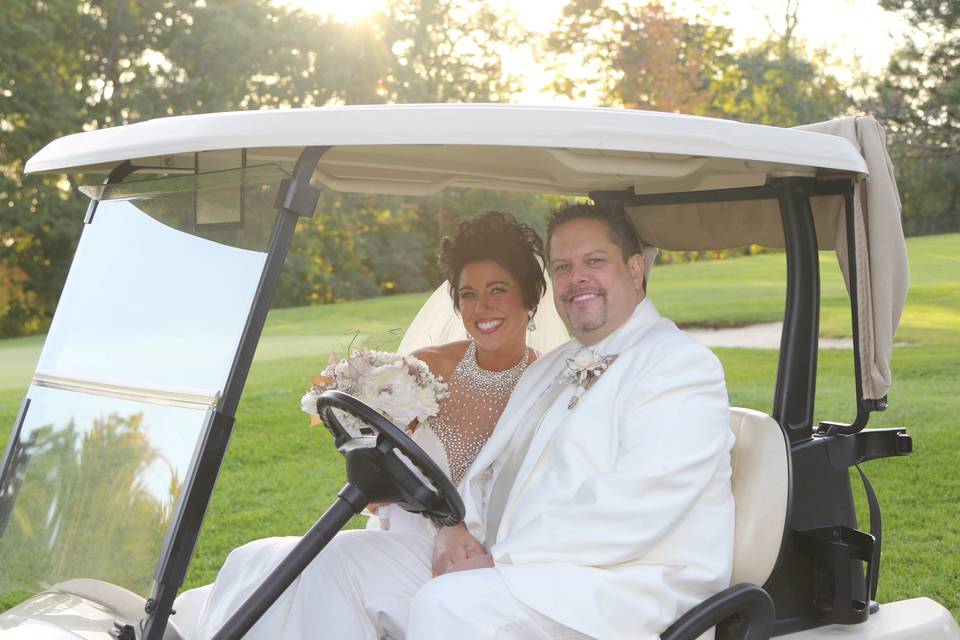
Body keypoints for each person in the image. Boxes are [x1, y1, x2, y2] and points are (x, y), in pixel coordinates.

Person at [179, 211, 567, 639]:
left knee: (330, 560)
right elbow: (385, 456)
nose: (482, 307)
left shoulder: (549, 385)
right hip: (410, 532)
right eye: (469, 294)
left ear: (531, 297)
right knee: (260, 559)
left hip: (480, 556)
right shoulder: (426, 369)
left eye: (499, 290)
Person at [413, 202, 735, 639]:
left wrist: (499, 558)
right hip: (528, 572)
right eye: (563, 266)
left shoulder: (679, 366)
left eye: (594, 261)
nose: (576, 277)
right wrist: (458, 533)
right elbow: (492, 469)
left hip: (621, 588)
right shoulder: (553, 365)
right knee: (343, 565)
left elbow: (634, 509)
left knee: (448, 604)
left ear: (636, 269)